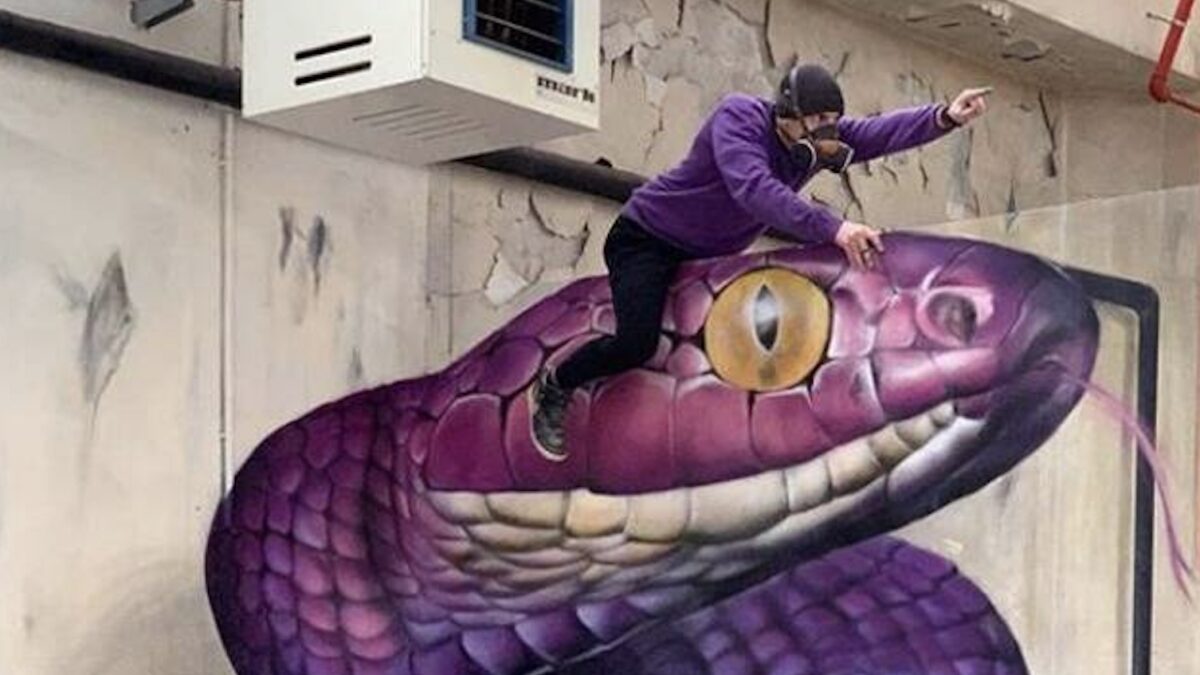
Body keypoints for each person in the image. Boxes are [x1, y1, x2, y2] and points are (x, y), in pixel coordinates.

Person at [528, 63, 991, 460]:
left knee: (731, 348)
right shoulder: (739, 119)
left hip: (709, 255)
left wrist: (944, 117)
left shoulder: (814, 145)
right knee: (637, 343)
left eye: (833, 121)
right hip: (648, 239)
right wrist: (835, 228)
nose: (826, 131)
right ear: (788, 114)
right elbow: (753, 189)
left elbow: (876, 132)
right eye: (818, 120)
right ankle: (557, 383)